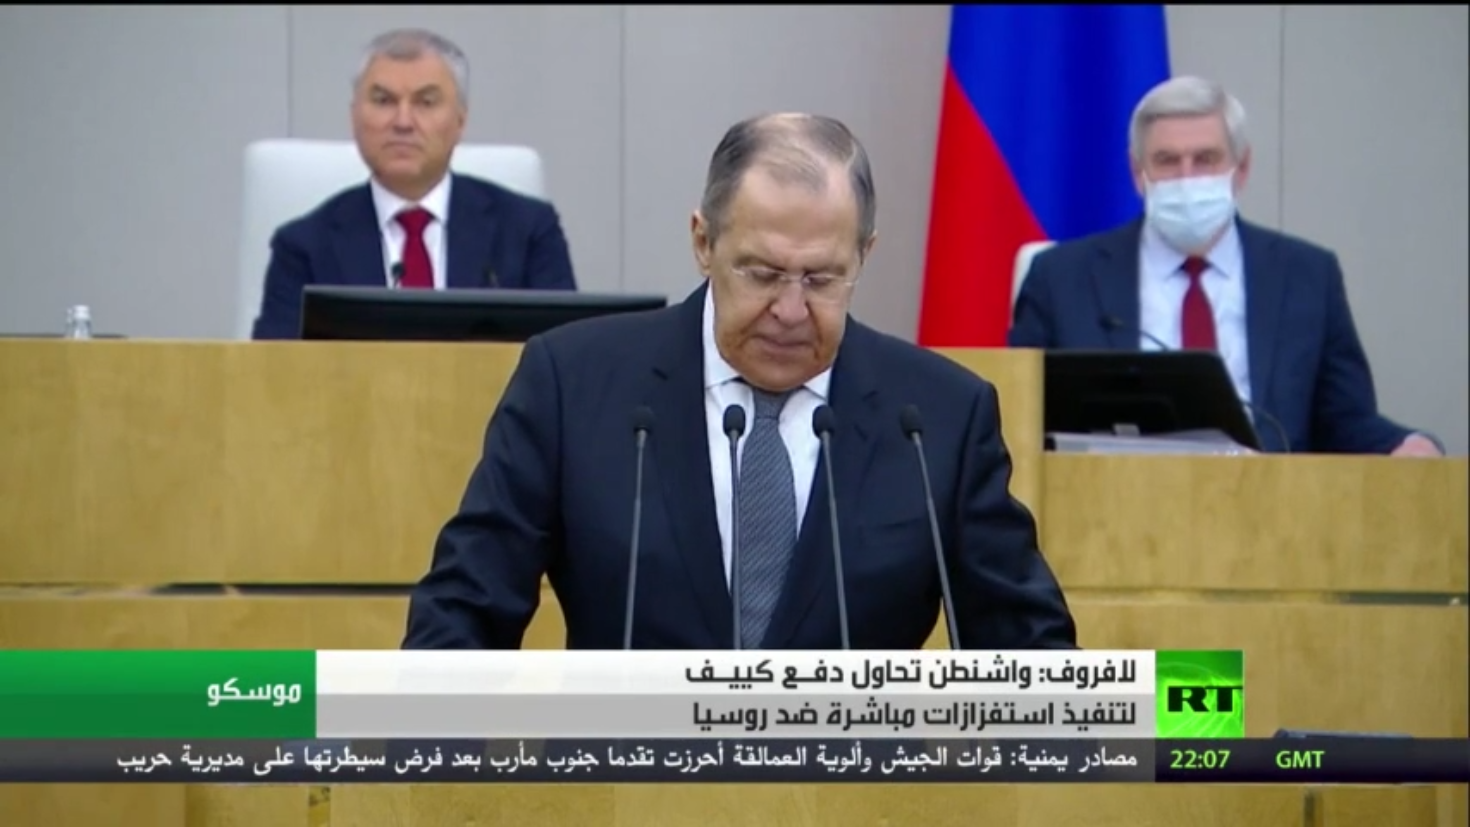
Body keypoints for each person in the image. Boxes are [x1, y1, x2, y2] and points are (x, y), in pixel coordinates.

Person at [403, 112, 1076, 651]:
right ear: (704, 242)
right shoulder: (573, 384)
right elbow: (462, 613)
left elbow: (1031, 651)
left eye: (821, 278)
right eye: (761, 273)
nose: (790, 309)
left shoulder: (937, 417)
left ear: (863, 255)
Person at [1009, 76, 1442, 456]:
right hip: (1108, 504)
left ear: (1242, 168)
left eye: (1206, 159)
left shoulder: (1308, 276)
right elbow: (1018, 417)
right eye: (1167, 161)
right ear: (1138, 173)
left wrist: (1405, 445)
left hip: (1273, 507)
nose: (1187, 177)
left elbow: (1344, 421)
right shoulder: (1060, 278)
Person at [251, 28, 577, 340]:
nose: (403, 122)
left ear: (460, 120)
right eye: (383, 101)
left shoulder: (528, 231)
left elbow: (567, 358)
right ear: (354, 116)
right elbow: (272, 369)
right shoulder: (303, 247)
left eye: (426, 102)